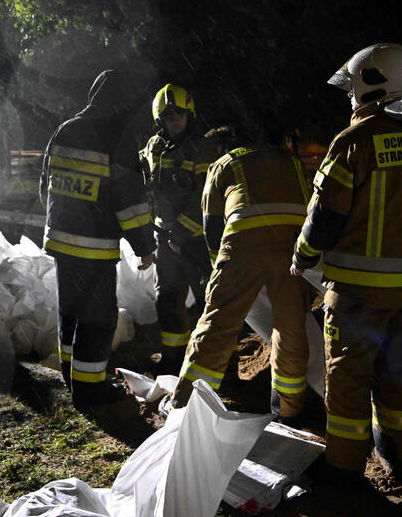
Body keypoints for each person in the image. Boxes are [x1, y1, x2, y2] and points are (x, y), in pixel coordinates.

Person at [290, 43, 402, 482]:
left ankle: (345, 473)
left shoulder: (353, 141)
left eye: (352, 88)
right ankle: (400, 458)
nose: (349, 97)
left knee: (348, 383)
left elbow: (324, 216)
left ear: (372, 86)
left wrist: (302, 257)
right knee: (396, 381)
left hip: (355, 295)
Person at [169, 125, 314, 418]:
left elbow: (211, 225)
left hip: (244, 243)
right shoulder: (290, 161)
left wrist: (217, 270)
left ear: (224, 146)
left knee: (218, 323)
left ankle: (185, 405)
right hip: (293, 246)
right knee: (290, 328)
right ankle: (289, 409)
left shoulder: (225, 163)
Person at [40, 70, 156, 413]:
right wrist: (143, 245)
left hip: (61, 242)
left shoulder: (66, 128)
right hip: (94, 246)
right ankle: (90, 391)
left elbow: (45, 182)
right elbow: (129, 198)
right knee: (98, 318)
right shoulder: (115, 134)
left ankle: (69, 374)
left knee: (70, 312)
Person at [139, 84, 216, 374]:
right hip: (164, 237)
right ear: (160, 119)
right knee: (167, 298)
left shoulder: (202, 148)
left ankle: (212, 364)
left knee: (210, 303)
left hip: (197, 240)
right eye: (169, 115)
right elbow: (142, 177)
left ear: (190, 115)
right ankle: (172, 359)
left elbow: (204, 197)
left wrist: (181, 234)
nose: (175, 120)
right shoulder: (153, 147)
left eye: (180, 114)